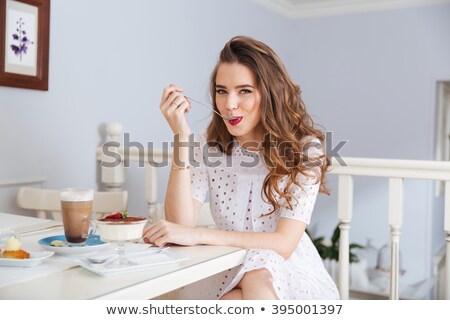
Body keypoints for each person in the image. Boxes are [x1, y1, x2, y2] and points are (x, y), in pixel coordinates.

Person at [143, 35, 339, 300]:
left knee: (257, 274)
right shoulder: (206, 144)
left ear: (269, 94)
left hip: (284, 269)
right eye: (221, 90)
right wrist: (181, 137)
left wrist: (199, 234)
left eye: (244, 91)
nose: (229, 104)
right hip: (227, 264)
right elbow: (180, 224)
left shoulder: (305, 150)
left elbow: (283, 244)